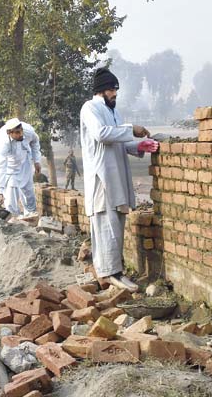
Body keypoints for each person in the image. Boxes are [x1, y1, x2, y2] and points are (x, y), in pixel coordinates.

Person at [80, 67, 159, 293]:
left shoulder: (113, 111)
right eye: (112, 90)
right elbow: (102, 134)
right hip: (102, 177)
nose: (115, 94)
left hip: (116, 177)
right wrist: (131, 129)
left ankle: (117, 271)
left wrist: (138, 146)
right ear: (102, 90)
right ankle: (109, 272)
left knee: (117, 224)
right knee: (106, 225)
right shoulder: (90, 108)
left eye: (116, 90)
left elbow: (119, 142)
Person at [0, 118, 42, 216]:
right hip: (9, 167)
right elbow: (0, 165)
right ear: (9, 133)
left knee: (28, 192)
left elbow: (35, 142)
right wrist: (0, 191)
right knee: (11, 198)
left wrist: (36, 161)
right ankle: (14, 219)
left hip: (24, 162)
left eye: (21, 131)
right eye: (17, 133)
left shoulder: (28, 131)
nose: (21, 134)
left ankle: (31, 216)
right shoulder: (2, 142)